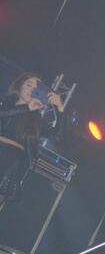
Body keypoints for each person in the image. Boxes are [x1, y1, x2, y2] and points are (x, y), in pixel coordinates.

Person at [0, 73, 65, 207]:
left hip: (10, 164)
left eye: (36, 88)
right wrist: (26, 107)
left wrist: (60, 109)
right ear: (20, 85)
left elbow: (56, 136)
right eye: (28, 85)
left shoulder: (36, 120)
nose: (31, 90)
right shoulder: (4, 102)